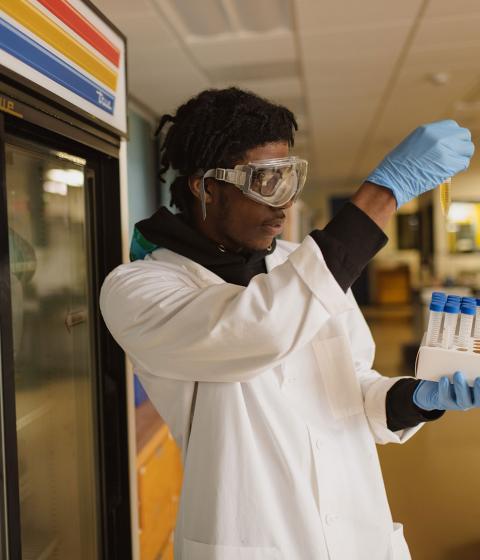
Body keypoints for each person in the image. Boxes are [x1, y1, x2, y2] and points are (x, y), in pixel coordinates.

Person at [100, 88, 476, 560]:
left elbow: (351, 389)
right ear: (206, 187)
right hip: (253, 537)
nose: (283, 204)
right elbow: (261, 330)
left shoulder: (302, 262)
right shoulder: (139, 289)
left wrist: (413, 399)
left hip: (360, 533)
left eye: (290, 177)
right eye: (265, 181)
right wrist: (382, 195)